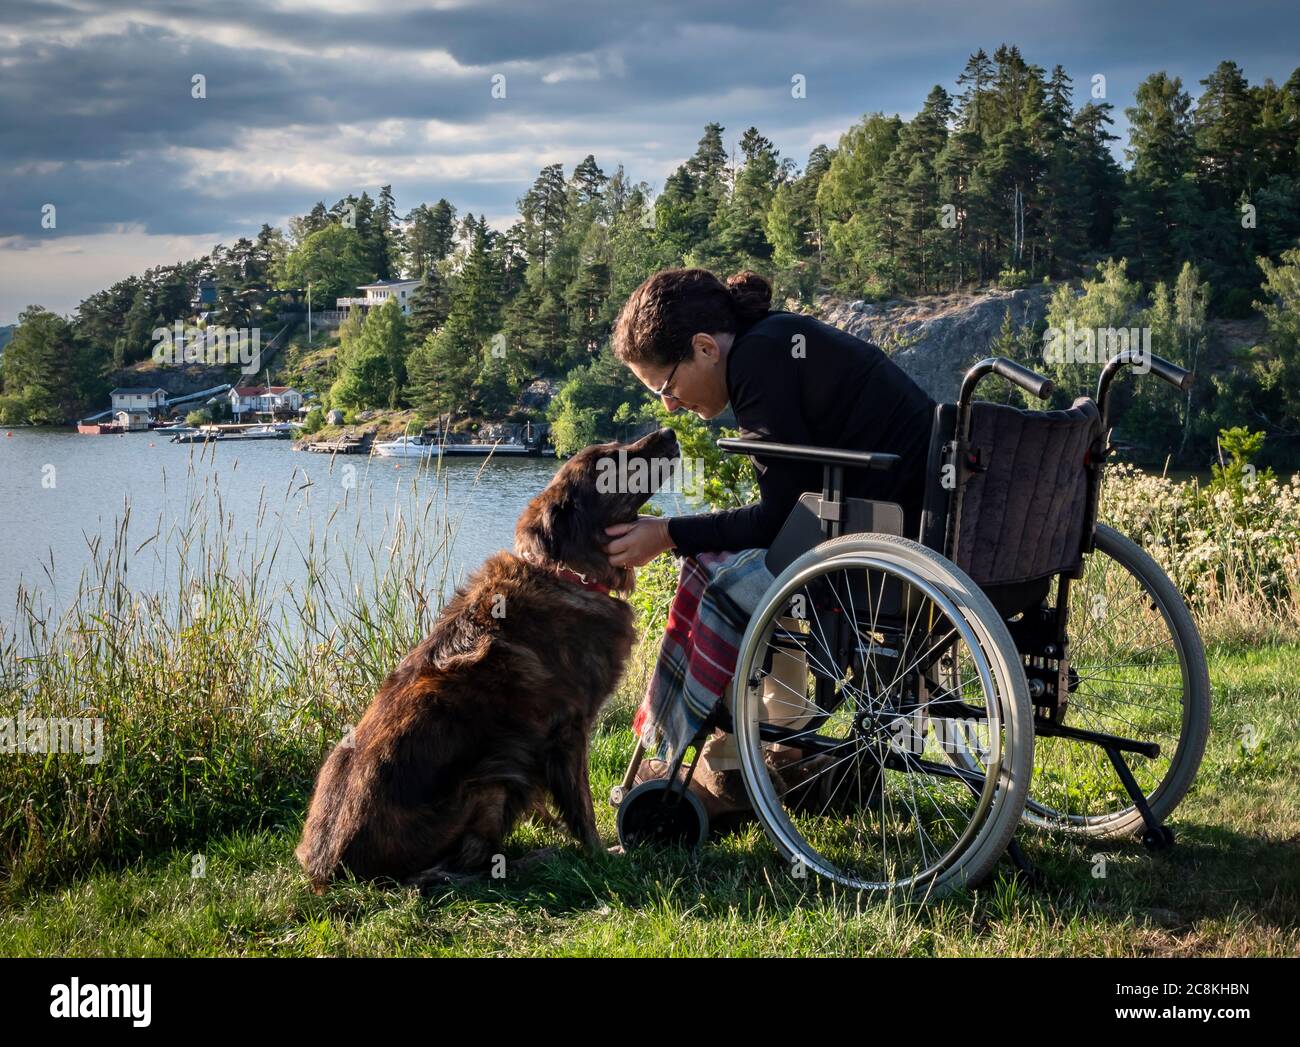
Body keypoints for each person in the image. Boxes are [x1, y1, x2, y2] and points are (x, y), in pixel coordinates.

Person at [606, 267, 935, 824]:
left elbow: (775, 520)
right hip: (909, 522)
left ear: (706, 348)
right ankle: (776, 743)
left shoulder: (759, 361)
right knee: (738, 565)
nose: (670, 406)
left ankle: (730, 750)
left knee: (715, 574)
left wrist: (667, 535)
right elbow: (790, 512)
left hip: (883, 545)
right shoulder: (778, 339)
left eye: (665, 387)